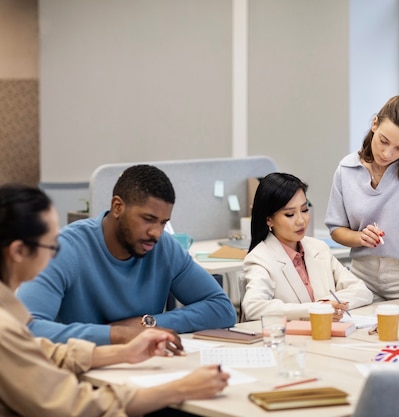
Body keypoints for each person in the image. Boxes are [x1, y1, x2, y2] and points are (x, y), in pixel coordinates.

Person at [0, 184, 229, 416]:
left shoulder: (8, 319)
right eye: (51, 244)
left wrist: (126, 348)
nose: (156, 233)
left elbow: (41, 349)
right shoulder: (6, 325)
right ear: (18, 252)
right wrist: (180, 388)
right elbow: (76, 407)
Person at [17, 164, 236, 345]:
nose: (156, 233)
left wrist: (148, 323)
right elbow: (23, 328)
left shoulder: (164, 248)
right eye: (148, 219)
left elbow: (222, 308)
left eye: (163, 223)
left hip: (139, 370)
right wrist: (116, 334)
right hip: (79, 375)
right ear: (118, 207)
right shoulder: (64, 249)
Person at [325, 95, 399, 306]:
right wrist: (360, 237)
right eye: (383, 141)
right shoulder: (347, 168)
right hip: (362, 275)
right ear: (374, 124)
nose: (388, 153)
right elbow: (336, 229)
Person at [241, 172, 373, 321]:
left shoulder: (318, 248)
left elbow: (362, 291)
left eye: (304, 210)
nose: (301, 221)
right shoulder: (260, 258)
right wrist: (314, 309)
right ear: (269, 219)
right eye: (290, 214)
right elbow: (253, 307)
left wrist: (327, 304)